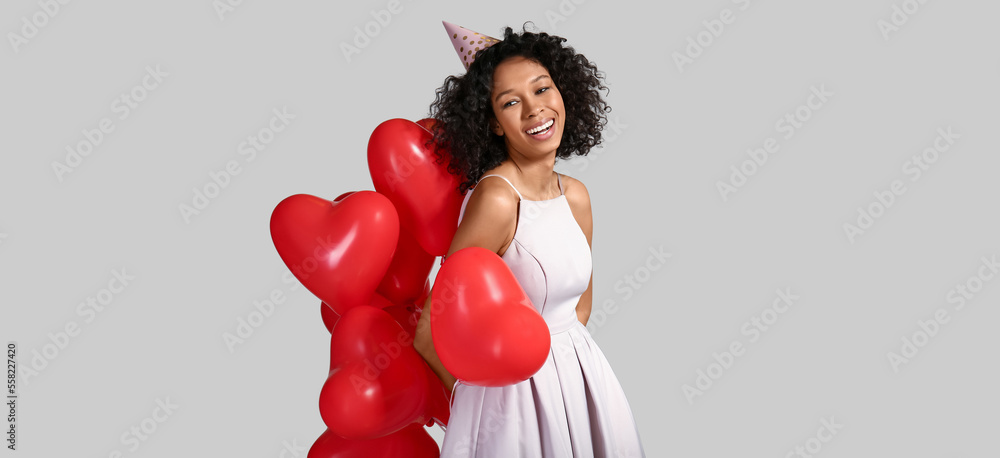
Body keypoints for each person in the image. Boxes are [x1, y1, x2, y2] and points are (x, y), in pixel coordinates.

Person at [412, 21, 646, 457]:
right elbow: (429, 332)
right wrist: (478, 405)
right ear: (494, 124)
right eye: (510, 102)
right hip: (511, 406)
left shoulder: (575, 195)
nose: (534, 110)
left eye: (541, 89)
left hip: (583, 383)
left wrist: (564, 381)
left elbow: (579, 309)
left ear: (563, 92)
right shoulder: (497, 200)